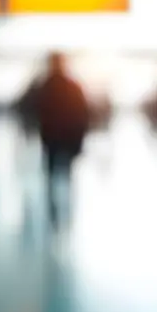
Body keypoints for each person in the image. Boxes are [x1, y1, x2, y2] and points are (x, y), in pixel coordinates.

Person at [36, 53, 91, 226]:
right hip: (67, 136)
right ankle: (66, 201)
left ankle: (53, 206)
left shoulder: (45, 85)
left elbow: (37, 110)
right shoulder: (72, 85)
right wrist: (80, 137)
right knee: (66, 171)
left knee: (51, 171)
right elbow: (82, 113)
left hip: (51, 136)